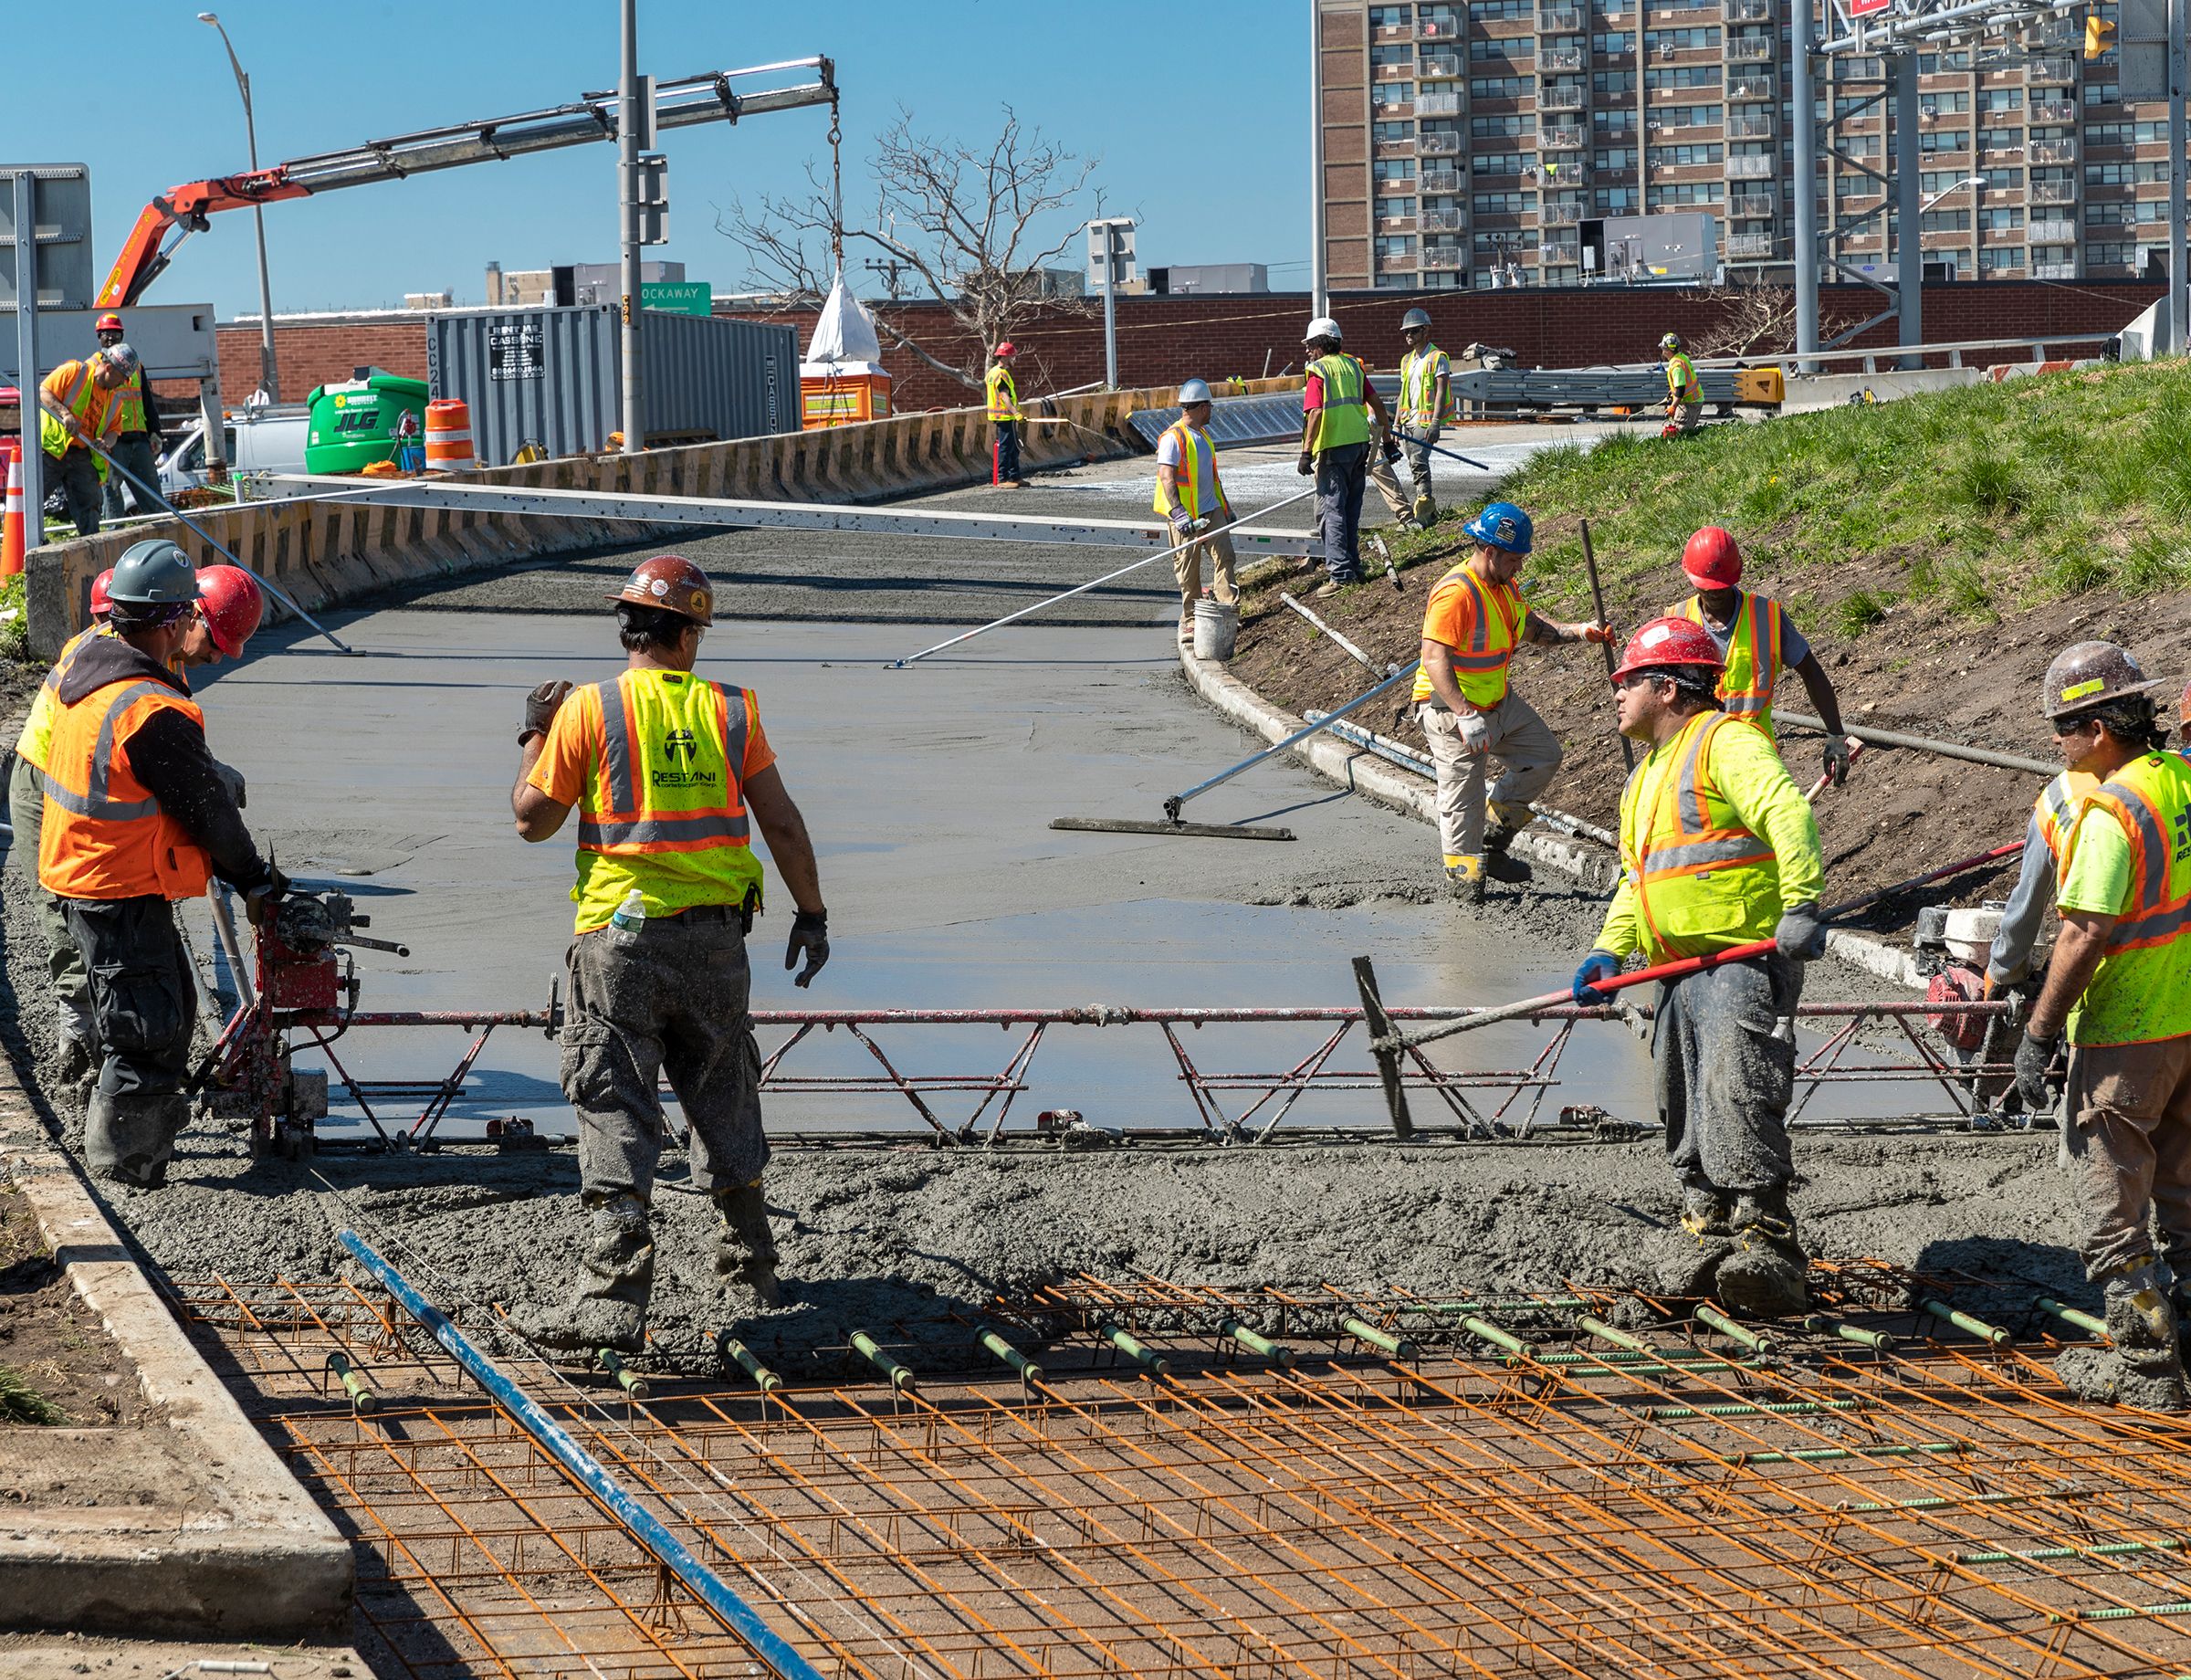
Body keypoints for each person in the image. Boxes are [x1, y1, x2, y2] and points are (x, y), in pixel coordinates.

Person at [512, 554, 832, 1353]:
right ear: (687, 634)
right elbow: (783, 824)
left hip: (620, 945)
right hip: (719, 942)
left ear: (630, 628)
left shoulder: (590, 711)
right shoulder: (733, 712)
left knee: (614, 1099)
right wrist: (814, 914)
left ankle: (614, 1300)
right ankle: (752, 1269)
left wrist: (533, 734)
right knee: (724, 1090)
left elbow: (532, 820)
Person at [1572, 616, 1828, 1314]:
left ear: (1665, 686)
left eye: (1626, 683)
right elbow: (1640, 878)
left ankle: (1767, 1244)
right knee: (1681, 1104)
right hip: (1675, 970)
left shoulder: (1726, 742)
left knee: (1738, 1094)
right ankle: (1705, 1227)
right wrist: (1608, 949)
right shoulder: (1647, 775)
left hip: (1737, 960)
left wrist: (1802, 903)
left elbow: (1788, 815)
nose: (1615, 695)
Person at [38, 541, 283, 1189]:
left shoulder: (89, 662)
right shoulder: (150, 709)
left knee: (161, 1017)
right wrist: (256, 879)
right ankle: (126, 1171)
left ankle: (129, 1152)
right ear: (175, 619)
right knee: (146, 1034)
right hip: (114, 886)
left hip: (95, 874)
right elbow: (209, 815)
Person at [2011, 642, 2191, 1409]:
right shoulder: (2181, 778)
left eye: (2063, 728)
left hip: (2126, 1031)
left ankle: (2150, 1371)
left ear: (2097, 730)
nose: (2057, 744)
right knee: (2185, 1192)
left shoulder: (2110, 811)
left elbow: (2083, 931)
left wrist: (2040, 1032)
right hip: (2187, 1022)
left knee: (2111, 1206)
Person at [1412, 500, 1612, 901]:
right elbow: (1435, 659)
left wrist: (1580, 632)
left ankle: (1492, 841)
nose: (1520, 566)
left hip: (1498, 703)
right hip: (1452, 710)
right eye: (1516, 559)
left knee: (1543, 756)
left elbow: (1532, 629)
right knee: (1461, 799)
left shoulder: (1504, 587)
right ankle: (1465, 885)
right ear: (1491, 552)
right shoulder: (1455, 594)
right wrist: (1466, 715)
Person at [1672, 526, 1853, 785]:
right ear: (1689, 576)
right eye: (1707, 588)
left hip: (1756, 759)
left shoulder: (1766, 617)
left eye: (1722, 586)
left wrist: (1836, 735)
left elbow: (1811, 672)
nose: (1715, 594)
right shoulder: (1676, 622)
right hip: (1696, 763)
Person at [1296, 316, 1396, 598]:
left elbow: (1315, 413)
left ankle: (1340, 574)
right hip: (1359, 445)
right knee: (1350, 509)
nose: (1307, 351)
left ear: (1319, 345)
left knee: (1331, 511)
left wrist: (1306, 452)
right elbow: (1376, 404)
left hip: (1333, 448)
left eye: (1309, 345)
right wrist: (1388, 442)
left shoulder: (1318, 371)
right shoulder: (1353, 367)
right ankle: (1353, 566)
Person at [1155, 380, 1239, 645]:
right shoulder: (1173, 437)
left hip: (1210, 510)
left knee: (1225, 556)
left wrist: (1226, 508)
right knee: (1188, 568)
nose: (1212, 411)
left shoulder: (1203, 436)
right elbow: (1166, 477)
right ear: (1202, 407)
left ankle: (1226, 608)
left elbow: (1213, 478)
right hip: (1185, 516)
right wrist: (1178, 512)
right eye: (1210, 406)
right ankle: (1191, 618)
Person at [38, 345, 137, 537]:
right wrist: (65, 414)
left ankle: (92, 554)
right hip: (52, 450)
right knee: (31, 502)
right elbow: (43, 392)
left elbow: (114, 432)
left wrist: (106, 442)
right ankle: (21, 545)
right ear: (109, 368)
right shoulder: (73, 372)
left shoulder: (115, 401)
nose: (123, 383)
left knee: (90, 506)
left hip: (82, 456)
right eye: (122, 377)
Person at [95, 315, 164, 520]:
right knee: (113, 499)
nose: (110, 338)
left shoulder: (135, 365)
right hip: (114, 443)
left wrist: (155, 433)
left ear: (122, 335)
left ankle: (164, 542)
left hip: (140, 440)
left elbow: (147, 401)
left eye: (115, 334)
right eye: (106, 334)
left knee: (154, 499)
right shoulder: (98, 367)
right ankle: (112, 542)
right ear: (99, 337)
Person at [1395, 307, 1453, 525]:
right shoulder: (1406, 360)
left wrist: (1436, 423)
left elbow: (1441, 390)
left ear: (1425, 331)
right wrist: (1397, 422)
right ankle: (1428, 508)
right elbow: (1403, 393)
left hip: (1425, 421)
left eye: (1413, 331)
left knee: (1419, 461)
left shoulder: (1437, 357)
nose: (1408, 335)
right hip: (1408, 420)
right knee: (1412, 463)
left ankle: (1424, 510)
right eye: (1406, 332)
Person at [986, 341, 1027, 488]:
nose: (1013, 359)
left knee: (1013, 447)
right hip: (1003, 416)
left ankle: (1015, 476)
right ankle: (1003, 478)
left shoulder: (992, 372)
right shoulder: (1000, 374)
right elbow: (1004, 396)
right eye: (1012, 356)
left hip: (1005, 416)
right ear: (1004, 357)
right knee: (1005, 447)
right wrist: (1016, 413)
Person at [1661, 332, 1703, 435]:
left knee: (1679, 432)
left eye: (1663, 348)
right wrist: (1673, 392)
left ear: (1667, 350)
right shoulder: (1682, 357)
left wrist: (1673, 407)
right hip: (1693, 400)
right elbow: (1682, 383)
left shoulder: (1676, 366)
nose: (1662, 351)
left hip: (1689, 403)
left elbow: (1681, 389)